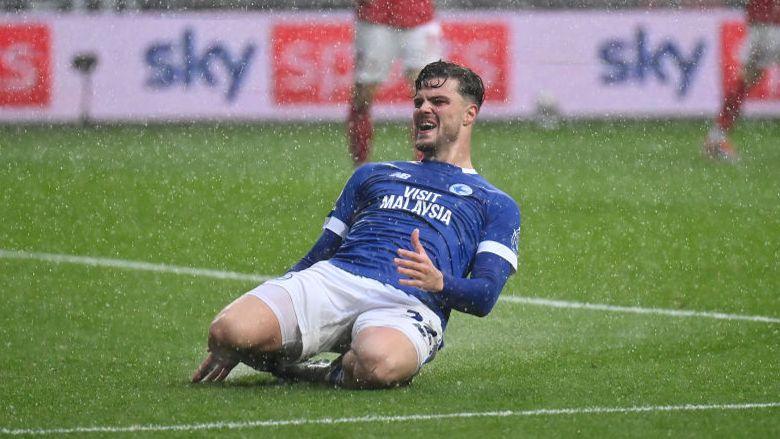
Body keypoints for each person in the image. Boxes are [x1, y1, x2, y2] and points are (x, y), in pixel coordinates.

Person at [192, 61, 521, 389]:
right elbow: (320, 255)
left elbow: (485, 296)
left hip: (409, 304)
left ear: (469, 114)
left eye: (438, 102)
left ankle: (324, 371)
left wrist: (440, 283)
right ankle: (291, 349)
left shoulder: (494, 202)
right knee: (227, 332)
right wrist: (251, 331)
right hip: (337, 280)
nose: (424, 109)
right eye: (418, 101)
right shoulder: (372, 174)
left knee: (379, 365)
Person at [348, 0, 442, 165]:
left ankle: (424, 168)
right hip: (375, 17)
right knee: (363, 96)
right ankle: (360, 168)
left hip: (419, 15)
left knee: (429, 95)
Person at [704, 0, 780, 161]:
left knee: (745, 80)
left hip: (763, 23)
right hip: (771, 26)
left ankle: (717, 136)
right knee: (746, 79)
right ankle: (717, 138)